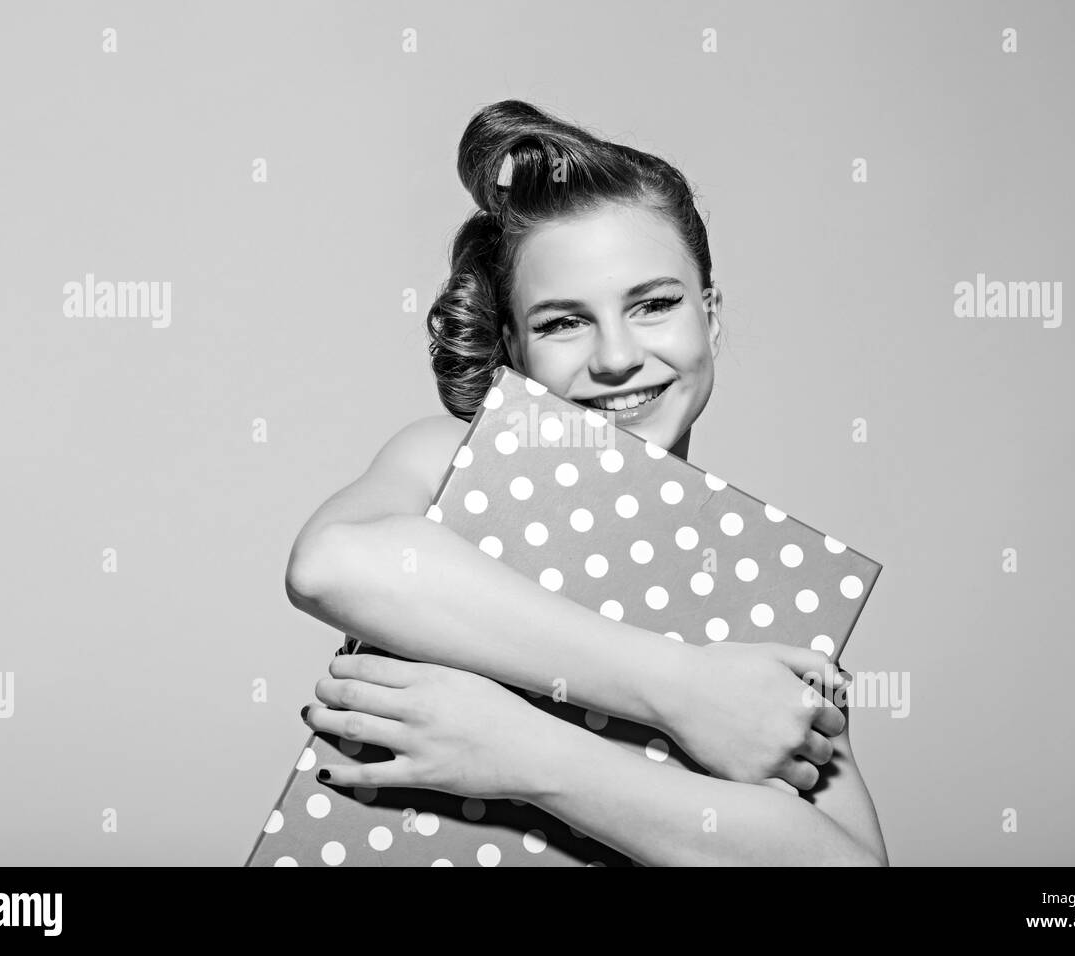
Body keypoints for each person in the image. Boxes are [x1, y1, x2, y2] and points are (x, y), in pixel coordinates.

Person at [285, 100, 888, 866]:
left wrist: (531, 757)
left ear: (709, 314)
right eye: (563, 322)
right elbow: (333, 562)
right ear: (512, 344)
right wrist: (683, 689)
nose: (615, 357)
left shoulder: (759, 579)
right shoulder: (452, 463)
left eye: (655, 304)